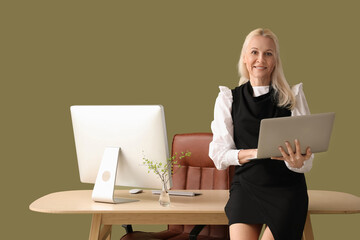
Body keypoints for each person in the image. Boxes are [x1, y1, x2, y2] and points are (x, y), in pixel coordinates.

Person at [209, 28, 314, 240]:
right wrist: (256, 153)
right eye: (254, 52)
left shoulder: (292, 97)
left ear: (275, 61)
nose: (260, 59)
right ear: (245, 58)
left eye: (268, 53)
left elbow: (308, 163)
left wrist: (296, 162)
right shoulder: (228, 98)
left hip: (286, 190)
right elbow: (219, 156)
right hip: (246, 188)